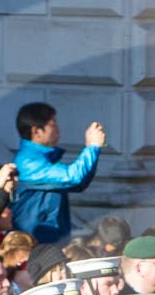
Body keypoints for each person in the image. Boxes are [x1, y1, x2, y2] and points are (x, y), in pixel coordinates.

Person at [11, 102, 105, 244]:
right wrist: (92, 147)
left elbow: (79, 184)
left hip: (49, 241)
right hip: (34, 244)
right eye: (53, 124)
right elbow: (73, 177)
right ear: (36, 131)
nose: (58, 129)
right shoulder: (28, 162)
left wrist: (92, 149)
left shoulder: (39, 159)